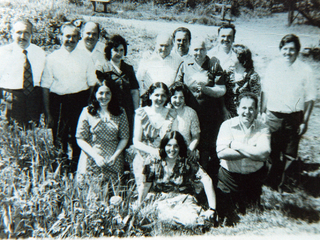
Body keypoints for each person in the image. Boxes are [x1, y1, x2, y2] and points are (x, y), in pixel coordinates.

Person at [262, 34, 317, 191]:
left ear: (298, 51)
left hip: (294, 117)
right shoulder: (273, 66)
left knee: (290, 153)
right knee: (271, 150)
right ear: (280, 50)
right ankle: (270, 182)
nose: (288, 53)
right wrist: (263, 112)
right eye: (285, 49)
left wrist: (305, 121)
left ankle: (285, 185)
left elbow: (311, 97)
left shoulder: (305, 70)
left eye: (292, 49)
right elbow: (265, 91)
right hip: (273, 115)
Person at [41, 22, 98, 173]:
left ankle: (77, 170)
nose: (71, 40)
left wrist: (87, 103)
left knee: (78, 137)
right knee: (59, 138)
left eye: (74, 36)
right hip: (58, 102)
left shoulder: (85, 58)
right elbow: (45, 86)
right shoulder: (52, 58)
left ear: (79, 38)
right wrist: (48, 113)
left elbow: (92, 83)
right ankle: (61, 170)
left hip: (79, 101)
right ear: (61, 37)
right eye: (67, 36)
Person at [138, 131, 216, 226]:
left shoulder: (187, 162)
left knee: (191, 220)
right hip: (161, 201)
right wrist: (139, 205)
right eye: (169, 145)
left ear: (180, 147)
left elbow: (207, 180)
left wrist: (212, 209)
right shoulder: (154, 161)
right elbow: (145, 186)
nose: (172, 149)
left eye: (176, 146)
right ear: (164, 146)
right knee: (161, 216)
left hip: (183, 201)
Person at [216, 92, 271, 226]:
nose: (247, 112)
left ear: (257, 110)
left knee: (251, 212)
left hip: (253, 179)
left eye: (251, 108)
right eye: (244, 108)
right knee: (226, 212)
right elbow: (222, 153)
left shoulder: (263, 128)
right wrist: (252, 149)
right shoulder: (227, 125)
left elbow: (264, 154)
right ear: (238, 109)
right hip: (229, 179)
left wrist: (236, 145)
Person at [175, 37, 226, 180]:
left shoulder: (214, 64)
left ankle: (205, 178)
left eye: (202, 49)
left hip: (209, 114)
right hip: (189, 113)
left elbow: (222, 90)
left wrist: (206, 89)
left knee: (206, 146)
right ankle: (186, 176)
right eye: (196, 49)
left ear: (207, 50)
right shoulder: (185, 64)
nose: (198, 52)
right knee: (189, 143)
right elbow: (177, 86)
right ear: (191, 49)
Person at [76, 79, 129, 182]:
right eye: (101, 93)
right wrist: (96, 157)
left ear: (112, 94)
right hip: (92, 157)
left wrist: (114, 157)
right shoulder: (87, 112)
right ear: (95, 94)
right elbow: (80, 139)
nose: (104, 97)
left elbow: (124, 137)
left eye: (107, 93)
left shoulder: (120, 111)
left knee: (113, 191)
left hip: (113, 159)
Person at [0, 19, 45, 127]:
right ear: (12, 33)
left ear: (31, 34)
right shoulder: (3, 52)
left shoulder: (39, 52)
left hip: (33, 97)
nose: (22, 36)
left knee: (32, 132)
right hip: (11, 97)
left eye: (26, 32)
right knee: (12, 131)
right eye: (18, 32)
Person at [132, 82, 176, 188]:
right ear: (150, 95)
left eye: (163, 95)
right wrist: (153, 151)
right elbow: (136, 141)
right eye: (157, 95)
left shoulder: (172, 113)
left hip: (165, 158)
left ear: (167, 98)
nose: (159, 98)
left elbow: (174, 138)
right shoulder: (141, 113)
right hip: (144, 159)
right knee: (146, 195)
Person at [100, 34, 139, 146]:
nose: (119, 53)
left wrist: (135, 112)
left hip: (127, 110)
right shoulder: (103, 69)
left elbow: (134, 91)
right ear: (109, 51)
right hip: (111, 108)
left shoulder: (129, 69)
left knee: (127, 138)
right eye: (116, 50)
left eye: (122, 50)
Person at [223, 44, 261, 118]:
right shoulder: (228, 73)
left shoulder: (252, 76)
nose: (230, 57)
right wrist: (224, 111)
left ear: (241, 58)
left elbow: (256, 98)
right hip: (228, 114)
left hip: (246, 115)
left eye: (232, 55)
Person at [169, 82, 200, 157]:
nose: (178, 100)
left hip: (186, 151)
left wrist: (189, 150)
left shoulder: (191, 113)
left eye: (181, 97)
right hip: (169, 151)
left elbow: (196, 137)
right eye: (175, 97)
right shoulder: (165, 112)